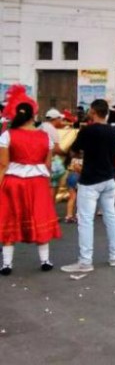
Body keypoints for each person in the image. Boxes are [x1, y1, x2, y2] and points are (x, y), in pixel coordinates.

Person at [0, 87, 61, 275]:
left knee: (10, 218)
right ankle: (45, 261)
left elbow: (3, 164)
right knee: (39, 217)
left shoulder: (7, 135)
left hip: (13, 182)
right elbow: (48, 165)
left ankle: (7, 264)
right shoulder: (45, 137)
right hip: (38, 183)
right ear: (33, 115)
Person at [61, 99, 115, 273]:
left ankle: (86, 261)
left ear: (93, 112)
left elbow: (74, 150)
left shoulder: (87, 131)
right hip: (109, 179)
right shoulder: (113, 132)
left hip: (90, 180)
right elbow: (113, 156)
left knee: (86, 220)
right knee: (111, 218)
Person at [64, 151, 83, 223]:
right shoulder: (80, 160)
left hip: (70, 176)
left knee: (72, 197)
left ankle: (69, 215)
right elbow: (78, 168)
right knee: (79, 197)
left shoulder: (72, 159)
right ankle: (79, 215)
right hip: (78, 178)